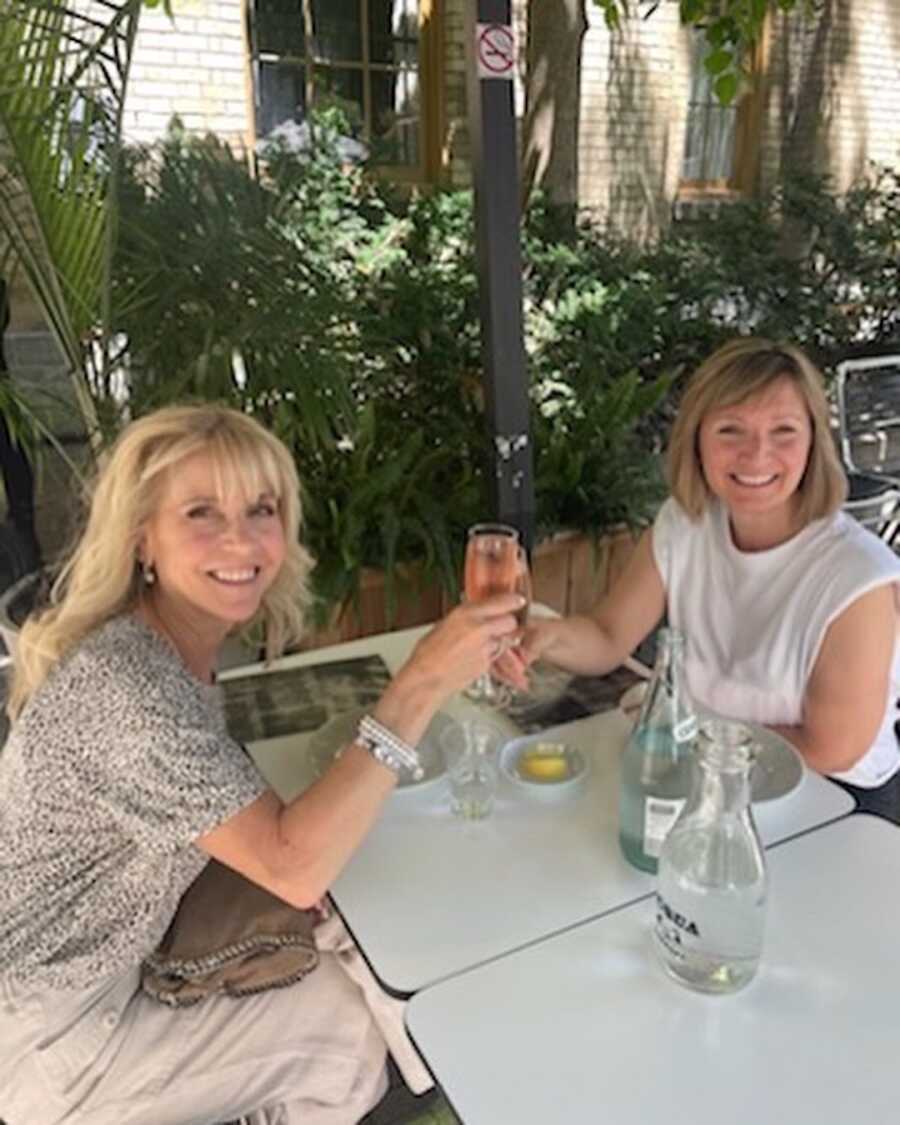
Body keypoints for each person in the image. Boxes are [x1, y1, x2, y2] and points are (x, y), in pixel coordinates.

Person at [0, 404, 523, 1125]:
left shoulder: (161, 649)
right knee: (350, 1026)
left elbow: (249, 836)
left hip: (90, 980)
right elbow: (295, 863)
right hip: (45, 1046)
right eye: (201, 512)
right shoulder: (129, 689)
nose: (240, 538)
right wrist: (423, 679)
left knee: (346, 938)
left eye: (261, 508)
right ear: (141, 537)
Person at [501, 336, 900, 817]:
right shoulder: (684, 523)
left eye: (784, 431)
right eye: (730, 430)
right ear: (697, 440)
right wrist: (544, 638)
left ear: (815, 441)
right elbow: (608, 636)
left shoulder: (858, 577)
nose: (756, 455)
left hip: (831, 803)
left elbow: (833, 748)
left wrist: (682, 737)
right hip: (707, 776)